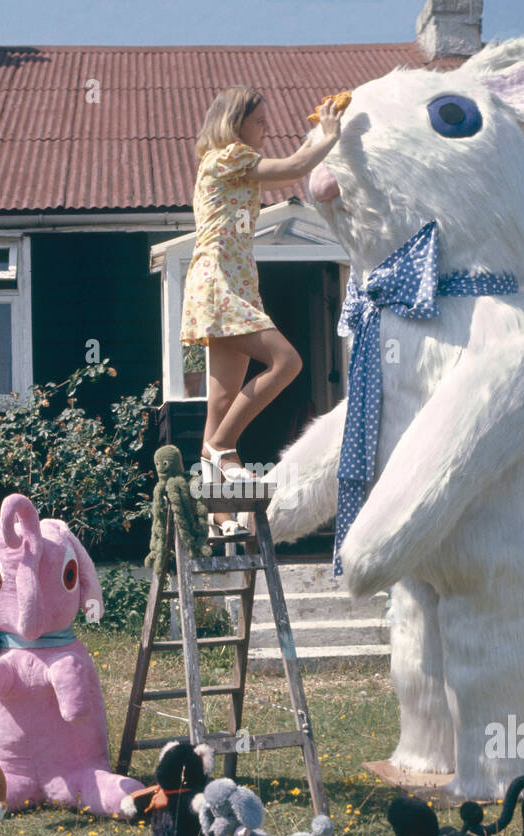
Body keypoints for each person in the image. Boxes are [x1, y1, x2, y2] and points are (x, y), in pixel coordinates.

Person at [180, 86, 342, 532]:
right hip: (221, 285)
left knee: (222, 401)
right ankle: (223, 446)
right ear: (235, 124)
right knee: (287, 361)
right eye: (260, 123)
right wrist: (329, 136)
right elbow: (292, 168)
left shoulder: (235, 165)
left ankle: (220, 517)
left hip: (234, 285)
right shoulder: (226, 155)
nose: (266, 130)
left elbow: (290, 163)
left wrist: (317, 137)